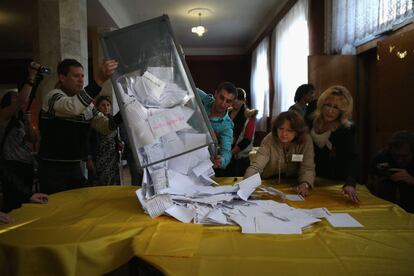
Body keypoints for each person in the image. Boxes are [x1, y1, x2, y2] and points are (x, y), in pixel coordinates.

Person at [38, 58, 120, 194]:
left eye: (82, 76)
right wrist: (98, 80)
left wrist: (124, 111)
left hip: (75, 166)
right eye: (76, 76)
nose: (81, 80)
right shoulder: (53, 97)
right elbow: (72, 107)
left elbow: (105, 126)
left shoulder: (86, 105)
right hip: (53, 169)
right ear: (62, 78)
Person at [0, 62, 48, 213]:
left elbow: (34, 139)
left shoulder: (19, 121)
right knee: (14, 204)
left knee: (28, 203)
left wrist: (28, 124)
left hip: (26, 165)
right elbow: (22, 100)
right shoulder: (3, 117)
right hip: (11, 167)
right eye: (14, 98)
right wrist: (32, 76)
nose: (19, 100)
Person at [245, 111, 315, 197]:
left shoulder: (306, 140)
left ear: (297, 132)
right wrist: (247, 185)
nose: (284, 134)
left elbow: (308, 168)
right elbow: (256, 166)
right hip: (269, 183)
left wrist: (305, 184)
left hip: (295, 184)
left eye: (289, 130)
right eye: (281, 129)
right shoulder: (269, 140)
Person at [308, 85, 359, 202]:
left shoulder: (346, 128)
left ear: (342, 111)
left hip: (335, 179)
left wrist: (350, 183)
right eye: (328, 105)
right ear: (322, 104)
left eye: (336, 108)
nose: (330, 111)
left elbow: (352, 157)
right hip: (311, 176)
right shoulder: (311, 119)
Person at [368, 131, 414, 212]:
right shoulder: (383, 156)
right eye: (396, 155)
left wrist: (411, 180)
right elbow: (370, 177)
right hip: (387, 204)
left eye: (404, 156)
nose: (399, 160)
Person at [196, 82, 237, 170]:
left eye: (228, 101)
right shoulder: (205, 99)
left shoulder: (226, 126)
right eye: (221, 98)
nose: (223, 104)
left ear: (231, 104)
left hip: (198, 160)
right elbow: (190, 88)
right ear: (216, 93)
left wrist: (221, 161)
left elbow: (226, 152)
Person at [87, 96, 123, 185]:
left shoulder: (113, 120)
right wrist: (88, 159)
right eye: (103, 105)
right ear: (97, 107)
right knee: (99, 182)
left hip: (112, 157)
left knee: (113, 182)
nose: (106, 107)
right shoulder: (94, 121)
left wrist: (119, 143)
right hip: (99, 157)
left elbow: (116, 137)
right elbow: (87, 141)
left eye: (108, 105)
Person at [225, 88, 257, 176]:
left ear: (244, 100)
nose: (236, 101)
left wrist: (230, 153)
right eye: (234, 98)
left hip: (240, 159)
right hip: (225, 154)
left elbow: (247, 140)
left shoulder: (249, 115)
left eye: (239, 99)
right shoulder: (226, 113)